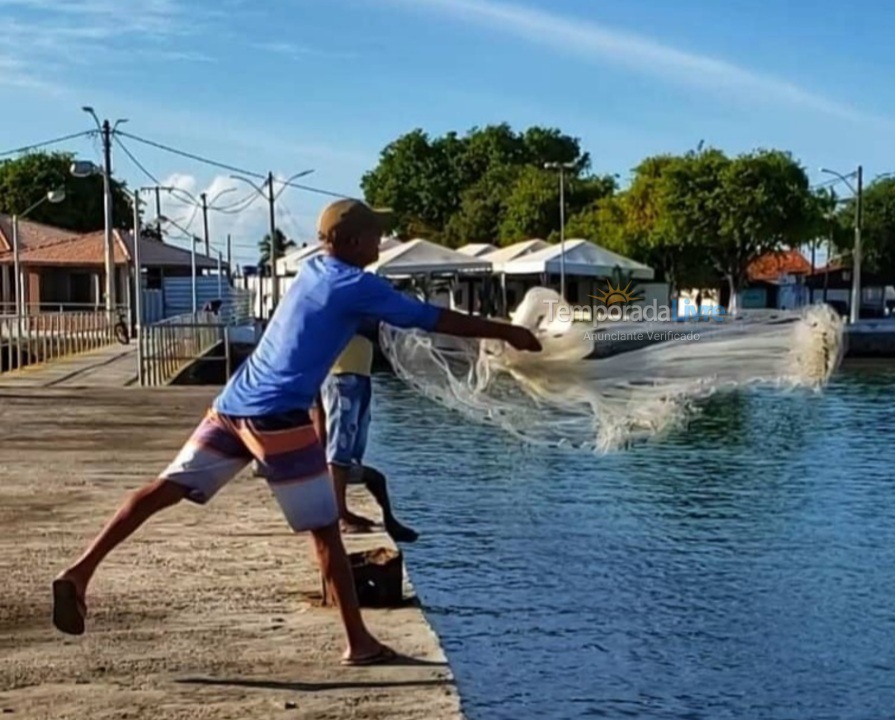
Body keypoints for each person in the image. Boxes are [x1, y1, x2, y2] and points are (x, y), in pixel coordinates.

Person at [51, 198, 541, 666]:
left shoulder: (311, 271)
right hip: (277, 417)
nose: (382, 239)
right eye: (375, 233)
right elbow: (434, 318)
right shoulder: (355, 283)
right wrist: (509, 332)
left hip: (232, 406)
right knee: (325, 531)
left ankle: (80, 570)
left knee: (164, 489)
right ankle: (359, 643)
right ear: (350, 241)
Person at [316, 329, 419, 541]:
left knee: (369, 471)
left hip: (359, 372)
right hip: (341, 372)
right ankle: (339, 516)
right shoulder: (345, 299)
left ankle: (388, 521)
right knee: (340, 446)